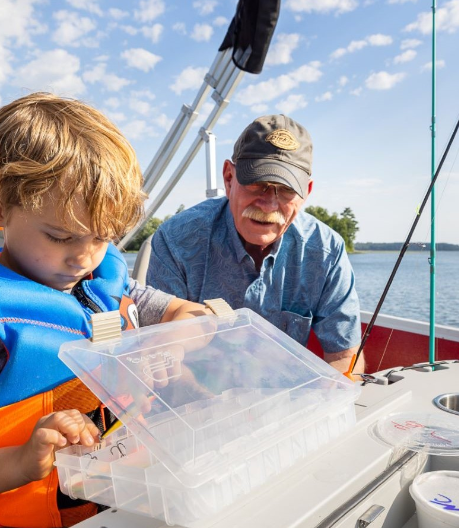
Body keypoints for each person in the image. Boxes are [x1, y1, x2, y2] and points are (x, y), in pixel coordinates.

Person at [0, 92, 209, 528]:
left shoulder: (103, 280)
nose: (83, 257)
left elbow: (185, 312)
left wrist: (172, 343)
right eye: (60, 236)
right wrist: (22, 461)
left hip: (131, 511)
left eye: (103, 237)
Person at [147, 114, 366, 375]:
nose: (269, 205)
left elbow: (345, 357)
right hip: (196, 401)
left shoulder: (327, 251)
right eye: (257, 184)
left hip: (290, 403)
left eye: (286, 190)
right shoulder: (176, 240)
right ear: (229, 178)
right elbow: (160, 353)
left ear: (306, 192)